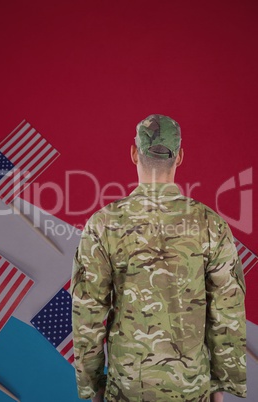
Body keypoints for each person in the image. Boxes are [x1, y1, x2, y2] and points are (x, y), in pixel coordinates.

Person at [71, 114, 247, 402]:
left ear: (133, 153)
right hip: (191, 387)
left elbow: (87, 314)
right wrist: (220, 387)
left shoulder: (103, 224)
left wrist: (93, 387)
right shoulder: (210, 224)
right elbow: (227, 312)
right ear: (179, 158)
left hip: (127, 387)